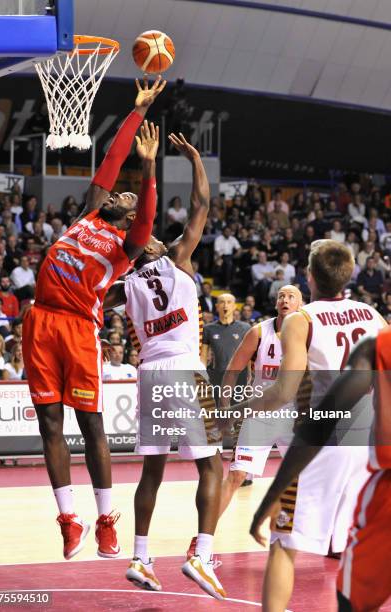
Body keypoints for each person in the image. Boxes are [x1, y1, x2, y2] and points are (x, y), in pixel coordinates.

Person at [22, 77, 165, 562]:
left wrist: (147, 173)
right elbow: (110, 160)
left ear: (129, 218)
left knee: (91, 425)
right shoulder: (89, 212)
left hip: (80, 329)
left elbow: (146, 220)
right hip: (40, 320)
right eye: (119, 193)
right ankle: (69, 519)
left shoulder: (128, 245)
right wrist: (136, 112)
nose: (118, 193)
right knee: (48, 424)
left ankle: (106, 521)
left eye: (125, 197)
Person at [228, 239, 386, 612]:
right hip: (367, 440)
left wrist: (241, 408)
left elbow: (282, 392)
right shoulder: (371, 313)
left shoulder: (302, 321)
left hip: (325, 439)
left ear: (309, 277)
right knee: (354, 545)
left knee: (283, 543)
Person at [104, 133, 226, 600]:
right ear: (147, 238)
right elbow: (201, 204)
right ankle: (202, 553)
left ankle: (140, 555)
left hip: (150, 373)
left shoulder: (124, 282)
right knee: (212, 467)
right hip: (184, 368)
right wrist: (196, 160)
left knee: (151, 470)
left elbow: (91, 303)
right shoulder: (177, 256)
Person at [249, 327, 391, 612]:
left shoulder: (377, 345)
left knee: (286, 546)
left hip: (366, 469)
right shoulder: (372, 322)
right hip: (358, 445)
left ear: (310, 280)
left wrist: (270, 497)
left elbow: (314, 424)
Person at [219, 285, 302, 515]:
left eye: (291, 296)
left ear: (300, 305)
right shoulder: (258, 332)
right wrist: (225, 406)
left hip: (293, 416)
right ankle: (203, 540)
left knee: (310, 477)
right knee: (236, 475)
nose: (285, 300)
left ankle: (316, 534)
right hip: (259, 415)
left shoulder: (309, 333)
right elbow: (232, 371)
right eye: (281, 296)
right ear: (276, 303)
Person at [201, 293, 251, 394]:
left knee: (238, 408)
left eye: (229, 302)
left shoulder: (245, 327)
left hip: (239, 376)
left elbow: (248, 354)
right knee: (217, 407)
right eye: (222, 302)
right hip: (216, 375)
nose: (225, 305)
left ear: (234, 306)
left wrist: (249, 375)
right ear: (217, 306)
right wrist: (202, 375)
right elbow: (204, 355)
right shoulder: (208, 329)